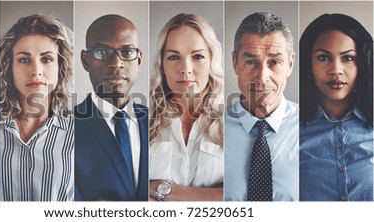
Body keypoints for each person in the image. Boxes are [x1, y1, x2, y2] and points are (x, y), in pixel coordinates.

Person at [149, 13, 224, 201]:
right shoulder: (142, 120)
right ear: (162, 65)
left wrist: (164, 190)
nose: (186, 68)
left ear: (211, 60)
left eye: (197, 56)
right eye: (174, 57)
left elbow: (240, 196)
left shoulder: (233, 122)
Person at [0, 14, 74, 201]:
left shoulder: (81, 132)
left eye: (47, 59)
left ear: (60, 66)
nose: (36, 71)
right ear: (9, 68)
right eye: (24, 60)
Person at [225, 12, 298, 201]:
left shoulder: (310, 128)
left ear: (290, 64)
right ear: (235, 63)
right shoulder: (212, 127)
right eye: (251, 62)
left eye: (274, 62)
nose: (262, 77)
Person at [299, 14, 373, 201]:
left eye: (348, 58)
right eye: (323, 57)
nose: (336, 70)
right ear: (309, 64)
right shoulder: (289, 131)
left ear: (361, 64)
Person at [75, 14, 148, 201]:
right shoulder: (64, 127)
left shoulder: (157, 120)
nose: (116, 63)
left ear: (138, 60)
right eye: (102, 52)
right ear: (86, 60)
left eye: (127, 52)